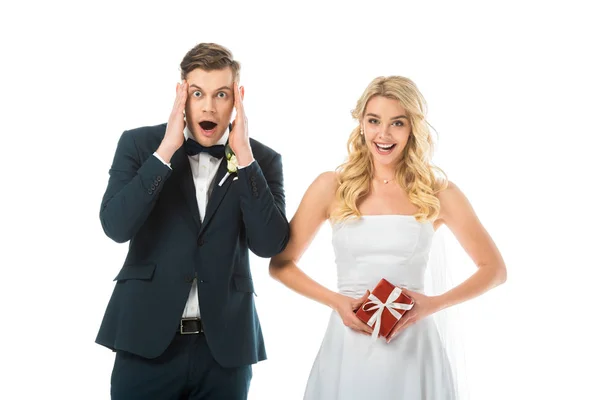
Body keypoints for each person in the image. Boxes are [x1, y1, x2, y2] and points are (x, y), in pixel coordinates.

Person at [269, 76, 506, 399]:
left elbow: (494, 269)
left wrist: (431, 305)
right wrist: (336, 301)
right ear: (361, 124)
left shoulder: (439, 192)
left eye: (397, 123)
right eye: (374, 121)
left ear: (412, 129)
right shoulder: (331, 186)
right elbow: (281, 265)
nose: (383, 134)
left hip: (414, 347)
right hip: (348, 345)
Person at [96, 42, 290, 399]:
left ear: (238, 99)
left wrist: (245, 160)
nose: (209, 106)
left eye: (221, 95)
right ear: (181, 93)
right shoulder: (140, 146)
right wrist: (164, 152)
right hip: (146, 344)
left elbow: (269, 245)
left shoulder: (262, 160)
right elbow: (115, 226)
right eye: (198, 93)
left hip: (225, 352)